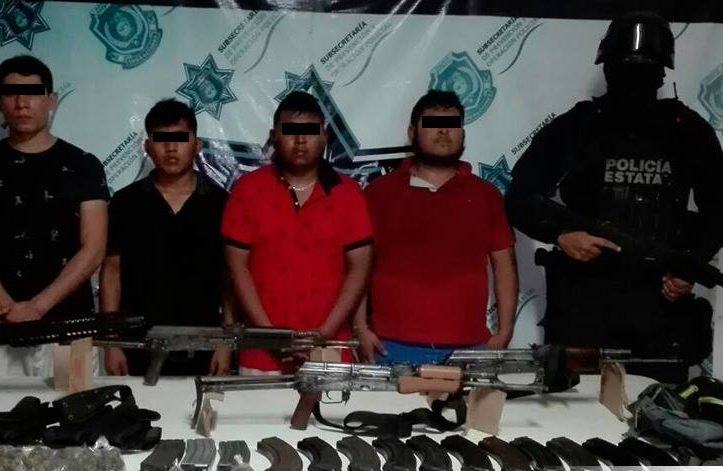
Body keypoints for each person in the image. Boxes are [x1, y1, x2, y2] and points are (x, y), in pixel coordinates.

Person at [505, 12, 723, 382]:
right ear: (607, 69)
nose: (633, 78)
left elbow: (718, 209)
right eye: (624, 68)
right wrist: (562, 235)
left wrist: (689, 266)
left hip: (658, 302)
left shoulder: (687, 130)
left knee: (656, 411)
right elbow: (520, 197)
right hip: (583, 301)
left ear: (661, 74)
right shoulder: (577, 125)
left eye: (644, 69)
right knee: (572, 407)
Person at [0, 55, 109, 376]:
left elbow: (94, 249)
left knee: (76, 404)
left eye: (33, 93)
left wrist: (37, 307)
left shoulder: (84, 165)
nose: (22, 103)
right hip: (0, 323)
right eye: (12, 93)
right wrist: (9, 309)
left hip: (72, 325)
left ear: (52, 100)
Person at [355, 90, 518, 365]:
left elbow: (505, 265)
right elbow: (359, 265)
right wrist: (360, 327)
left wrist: (504, 332)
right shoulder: (379, 193)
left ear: (463, 135)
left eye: (452, 124)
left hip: (469, 350)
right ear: (412, 132)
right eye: (432, 123)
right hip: (390, 348)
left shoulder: (486, 195)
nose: (443, 131)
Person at [221, 91, 372, 374]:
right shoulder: (247, 191)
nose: (300, 140)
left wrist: (322, 334)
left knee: (329, 406)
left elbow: (360, 267)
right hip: (261, 352)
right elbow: (236, 268)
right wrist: (271, 336)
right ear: (273, 136)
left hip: (330, 347)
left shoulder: (349, 194)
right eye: (290, 131)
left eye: (310, 131)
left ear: (324, 135)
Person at [101, 99, 232, 377]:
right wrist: (112, 342)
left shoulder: (222, 204)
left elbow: (230, 279)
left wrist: (226, 342)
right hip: (138, 347)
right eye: (162, 139)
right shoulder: (125, 203)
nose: (171, 148)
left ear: (197, 145)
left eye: (180, 139)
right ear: (148, 146)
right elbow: (111, 272)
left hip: (205, 347)